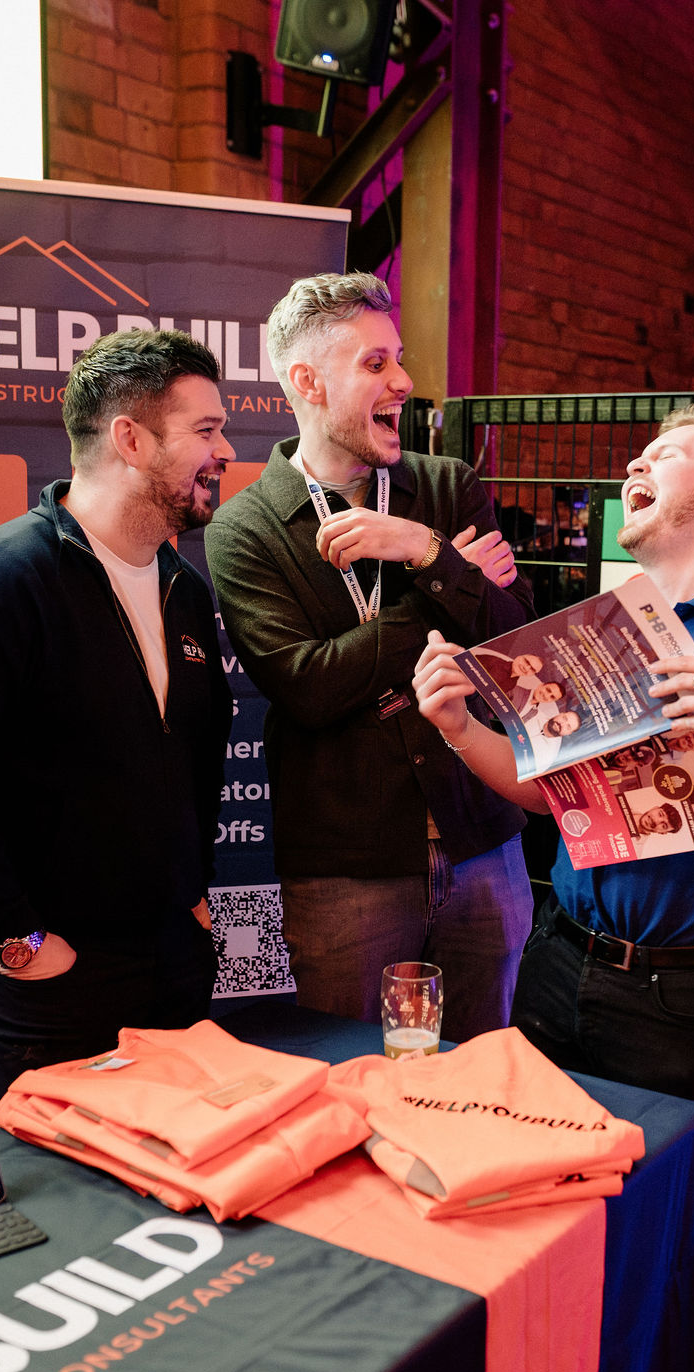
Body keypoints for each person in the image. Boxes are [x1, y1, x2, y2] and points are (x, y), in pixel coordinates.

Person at [413, 401, 694, 1132]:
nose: (636, 463)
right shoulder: (605, 622)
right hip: (556, 959)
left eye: (668, 454)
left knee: (662, 1187)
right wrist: (458, 727)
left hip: (683, 996)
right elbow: (549, 795)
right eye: (642, 454)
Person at [205, 271, 535, 1040]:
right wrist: (440, 581)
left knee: (484, 1078)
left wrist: (422, 545)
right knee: (354, 1080)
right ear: (307, 381)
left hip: (483, 849)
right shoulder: (244, 529)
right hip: (344, 875)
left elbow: (512, 641)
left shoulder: (447, 487)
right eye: (375, 363)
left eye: (399, 358)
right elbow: (309, 688)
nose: (404, 381)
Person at [0, 329, 235, 1109]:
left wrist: (194, 898)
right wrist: (19, 939)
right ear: (131, 439)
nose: (225, 451)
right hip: (42, 995)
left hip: (171, 973)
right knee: (45, 1191)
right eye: (205, 429)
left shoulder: (185, 590)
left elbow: (198, 762)